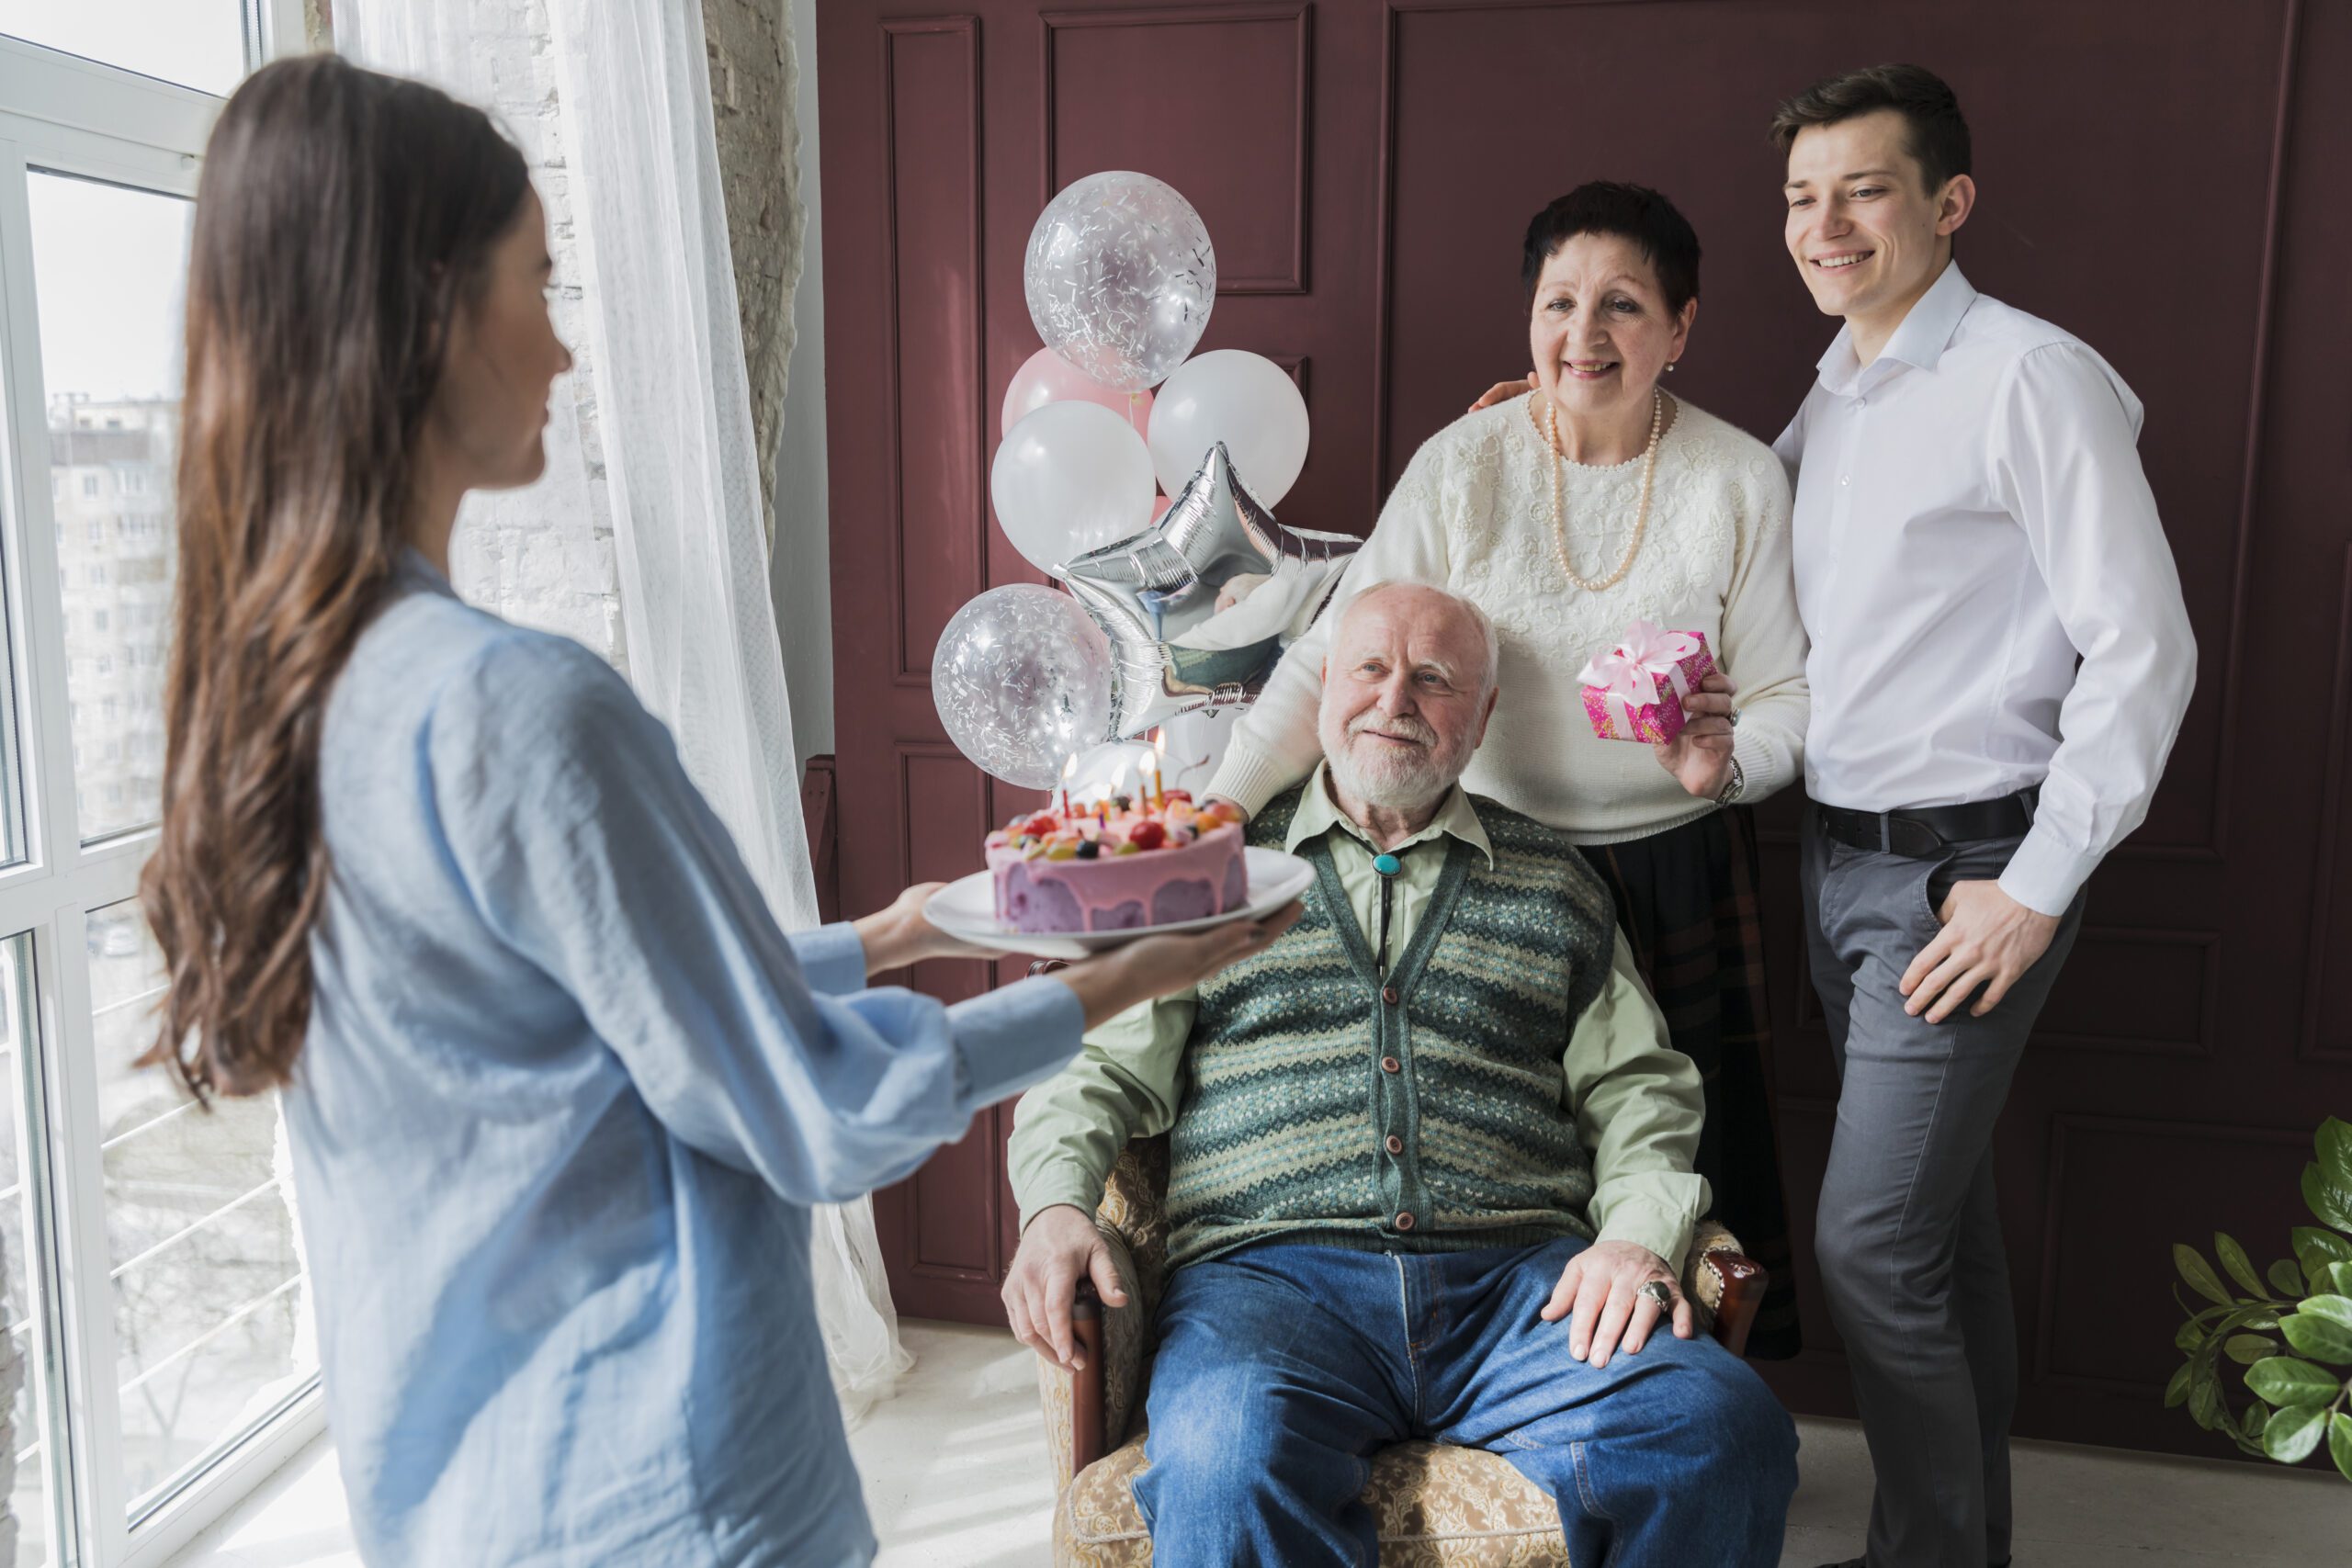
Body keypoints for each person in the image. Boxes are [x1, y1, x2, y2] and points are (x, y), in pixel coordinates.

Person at [138, 56, 1295, 1568]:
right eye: (535, 286)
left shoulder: (289, 694)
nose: (562, 353)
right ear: (426, 312)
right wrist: (1124, 977)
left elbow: (572, 1031)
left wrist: (883, 936)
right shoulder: (517, 705)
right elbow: (813, 1103)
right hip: (667, 1487)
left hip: (455, 1483)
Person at [1006, 581, 1799, 1567]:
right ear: (1325, 684)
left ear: (1483, 714)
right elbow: (1094, 1072)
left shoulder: (1555, 882)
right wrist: (1053, 1207)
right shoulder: (1210, 875)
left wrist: (1634, 1239)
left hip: (1521, 1289)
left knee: (1723, 1429)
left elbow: (1641, 1091)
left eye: (1434, 679)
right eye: (1371, 669)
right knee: (1224, 1460)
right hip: (1270, 1286)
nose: (1395, 702)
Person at [1208, 182, 1811, 1355]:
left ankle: (1667, 1403)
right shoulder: (1462, 461)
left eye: (1622, 307)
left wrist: (1724, 769)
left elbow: (1788, 698)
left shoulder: (1740, 478)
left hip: (1673, 868)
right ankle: (1494, 1382)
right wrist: (1214, 813)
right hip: (1478, 863)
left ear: (1680, 329)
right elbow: (1336, 654)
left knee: (1673, 1170)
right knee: (1484, 1167)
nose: (1582, 337)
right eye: (1559, 302)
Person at [1772, 65, 2192, 1568]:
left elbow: (2147, 644)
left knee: (1868, 1240)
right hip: (1838, 863)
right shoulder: (1836, 386)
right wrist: (1564, 414)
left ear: (1949, 203)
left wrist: (2036, 882)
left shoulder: (2030, 375)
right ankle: (1963, 1544)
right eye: (1803, 198)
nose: (1825, 225)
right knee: (1933, 1234)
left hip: (1969, 873)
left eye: (1863, 190)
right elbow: (1734, 540)